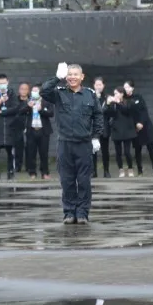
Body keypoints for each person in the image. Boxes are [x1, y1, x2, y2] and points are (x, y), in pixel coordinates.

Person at [40, 63, 104, 224]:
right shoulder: (59, 93)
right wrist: (57, 78)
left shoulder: (90, 95)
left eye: (76, 74)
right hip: (65, 144)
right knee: (67, 180)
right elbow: (44, 91)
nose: (72, 77)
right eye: (69, 74)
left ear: (82, 77)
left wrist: (96, 136)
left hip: (83, 144)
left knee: (83, 181)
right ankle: (69, 212)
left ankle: (82, 213)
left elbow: (98, 116)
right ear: (66, 76)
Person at [0, 74, 24, 180]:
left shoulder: (12, 94)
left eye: (4, 83)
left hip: (10, 127)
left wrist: (2, 112)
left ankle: (10, 171)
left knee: (10, 152)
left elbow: (15, 108)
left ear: (8, 82)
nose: (3, 85)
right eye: (1, 83)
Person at [124, 80, 153, 176]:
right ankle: (140, 170)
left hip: (145, 126)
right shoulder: (124, 99)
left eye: (128, 87)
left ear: (132, 88)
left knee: (150, 148)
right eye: (125, 88)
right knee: (137, 150)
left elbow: (144, 111)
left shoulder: (138, 97)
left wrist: (141, 122)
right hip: (135, 128)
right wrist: (135, 124)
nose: (126, 89)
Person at [24, 83, 55, 180]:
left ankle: (45, 172)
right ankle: (32, 173)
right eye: (33, 91)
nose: (34, 93)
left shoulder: (46, 101)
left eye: (36, 91)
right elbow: (21, 111)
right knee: (31, 153)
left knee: (44, 153)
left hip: (43, 131)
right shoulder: (28, 101)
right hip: (31, 130)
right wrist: (28, 107)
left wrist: (41, 110)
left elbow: (51, 113)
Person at [107, 88, 137, 178]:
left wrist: (118, 103)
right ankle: (121, 169)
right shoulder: (113, 104)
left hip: (127, 130)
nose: (115, 95)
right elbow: (109, 114)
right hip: (116, 130)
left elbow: (126, 110)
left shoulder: (128, 102)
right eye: (114, 93)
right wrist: (109, 104)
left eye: (117, 93)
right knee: (118, 152)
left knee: (127, 152)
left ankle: (130, 168)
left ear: (122, 94)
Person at [91, 77, 111, 178]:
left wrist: (108, 105)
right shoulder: (90, 97)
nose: (98, 87)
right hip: (93, 127)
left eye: (100, 84)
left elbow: (111, 113)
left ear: (103, 86)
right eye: (96, 85)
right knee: (93, 150)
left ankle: (106, 171)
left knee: (105, 150)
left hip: (104, 127)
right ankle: (93, 171)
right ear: (94, 86)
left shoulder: (107, 97)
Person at [14, 82, 30, 174]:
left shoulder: (32, 100)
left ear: (28, 90)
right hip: (18, 128)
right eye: (22, 89)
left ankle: (29, 167)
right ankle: (18, 166)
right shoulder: (15, 101)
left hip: (29, 127)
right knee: (18, 149)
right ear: (19, 90)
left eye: (26, 89)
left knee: (30, 149)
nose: (24, 91)